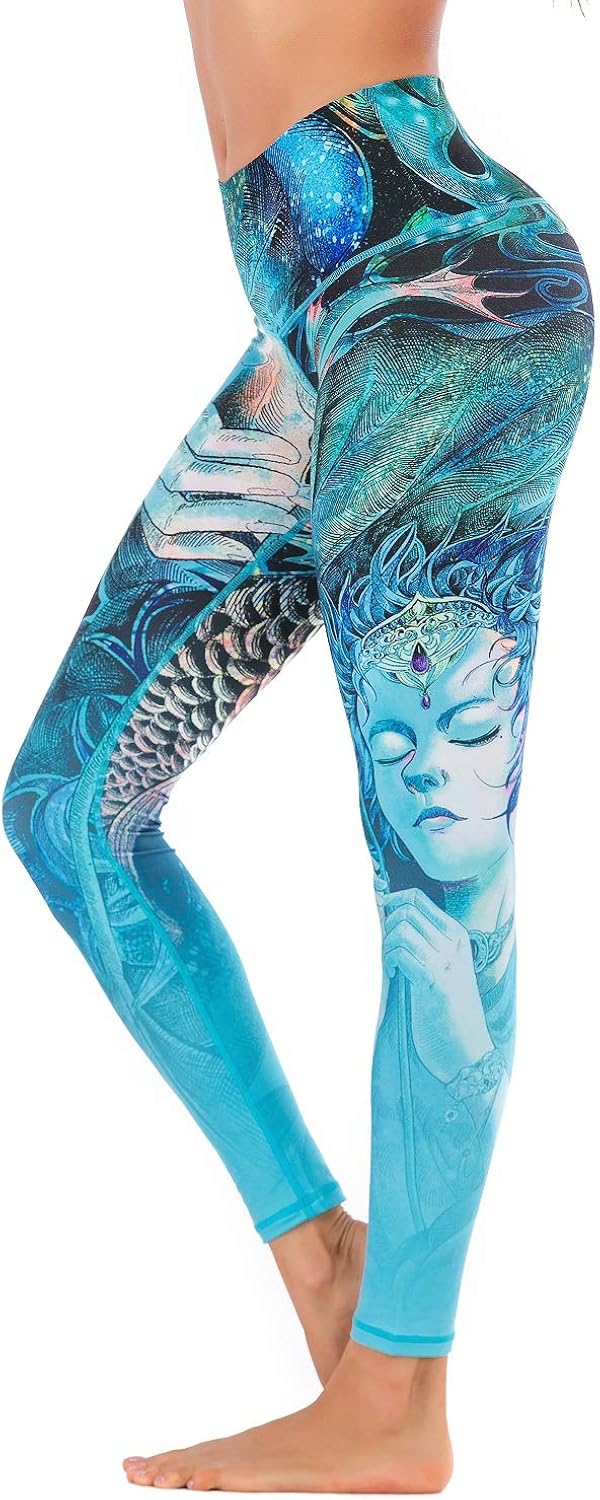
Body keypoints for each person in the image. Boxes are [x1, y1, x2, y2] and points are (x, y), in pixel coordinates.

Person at [2, 0, 594, 1490]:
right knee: (70, 804)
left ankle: (399, 1398)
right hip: (324, 313)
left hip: (439, 299)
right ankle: (327, 1256)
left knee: (436, 870)